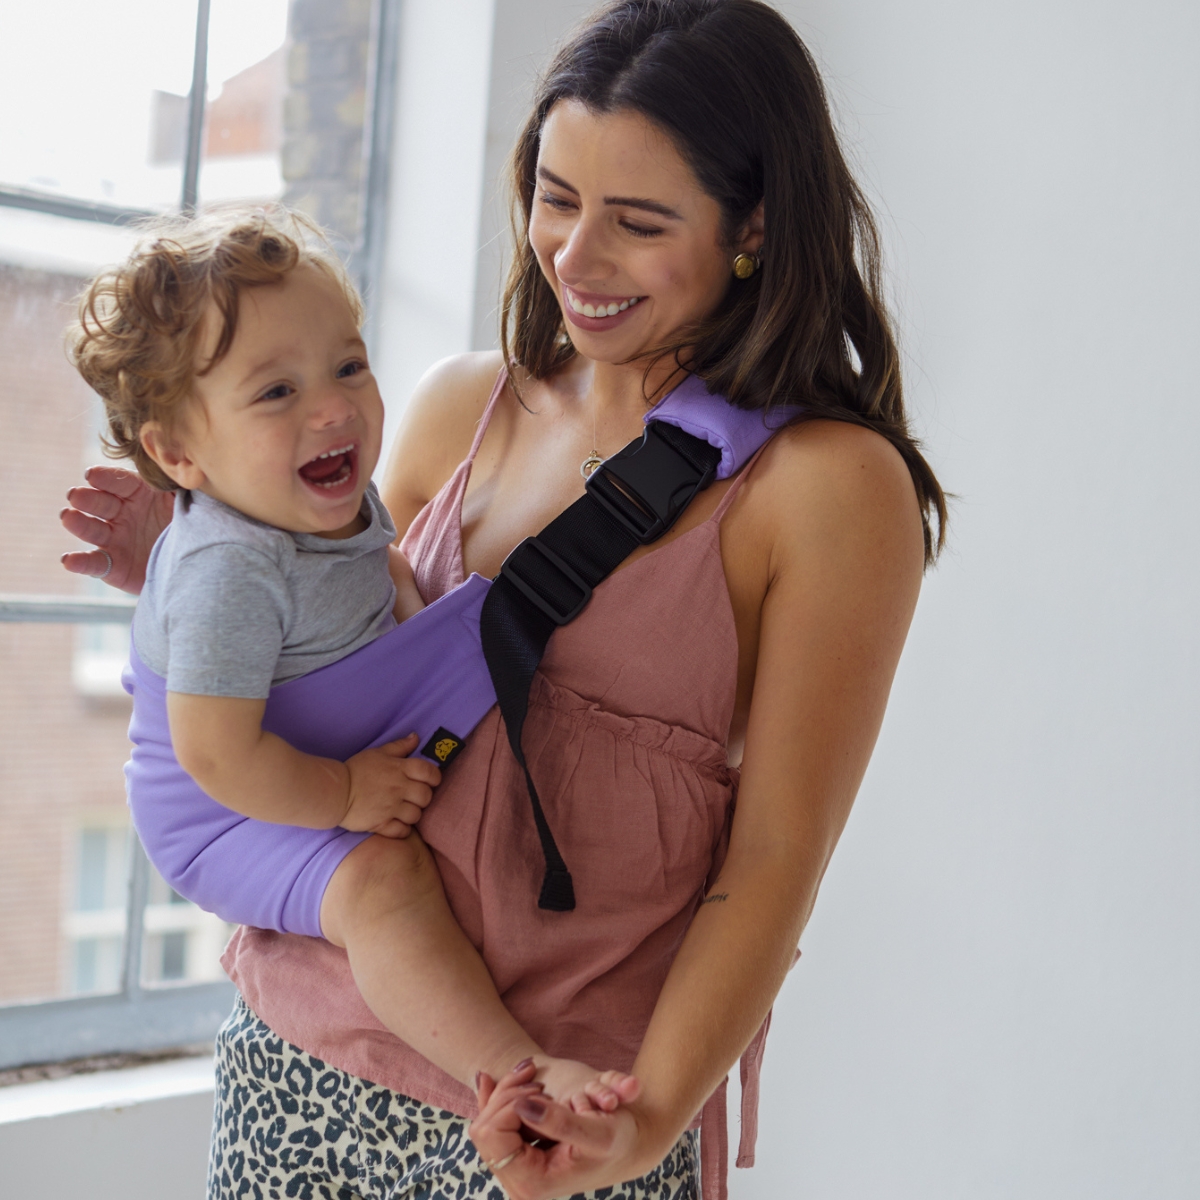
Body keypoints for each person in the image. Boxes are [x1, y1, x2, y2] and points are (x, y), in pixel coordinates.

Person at [60, 2, 945, 1197]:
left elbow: (777, 857)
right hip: (303, 1054)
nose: (573, 259)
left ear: (754, 227)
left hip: (564, 1115)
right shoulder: (455, 405)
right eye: (556, 196)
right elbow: (332, 655)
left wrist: (647, 1125)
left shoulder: (829, 491)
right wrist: (185, 560)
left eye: (637, 222)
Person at [68, 208, 639, 1112]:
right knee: (382, 882)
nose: (333, 408)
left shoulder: (317, 486)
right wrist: (343, 798)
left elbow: (381, 567)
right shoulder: (229, 568)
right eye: (275, 393)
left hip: (279, 748)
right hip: (220, 810)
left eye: (348, 366)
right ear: (181, 455)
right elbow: (214, 755)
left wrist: (415, 612)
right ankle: (513, 1069)